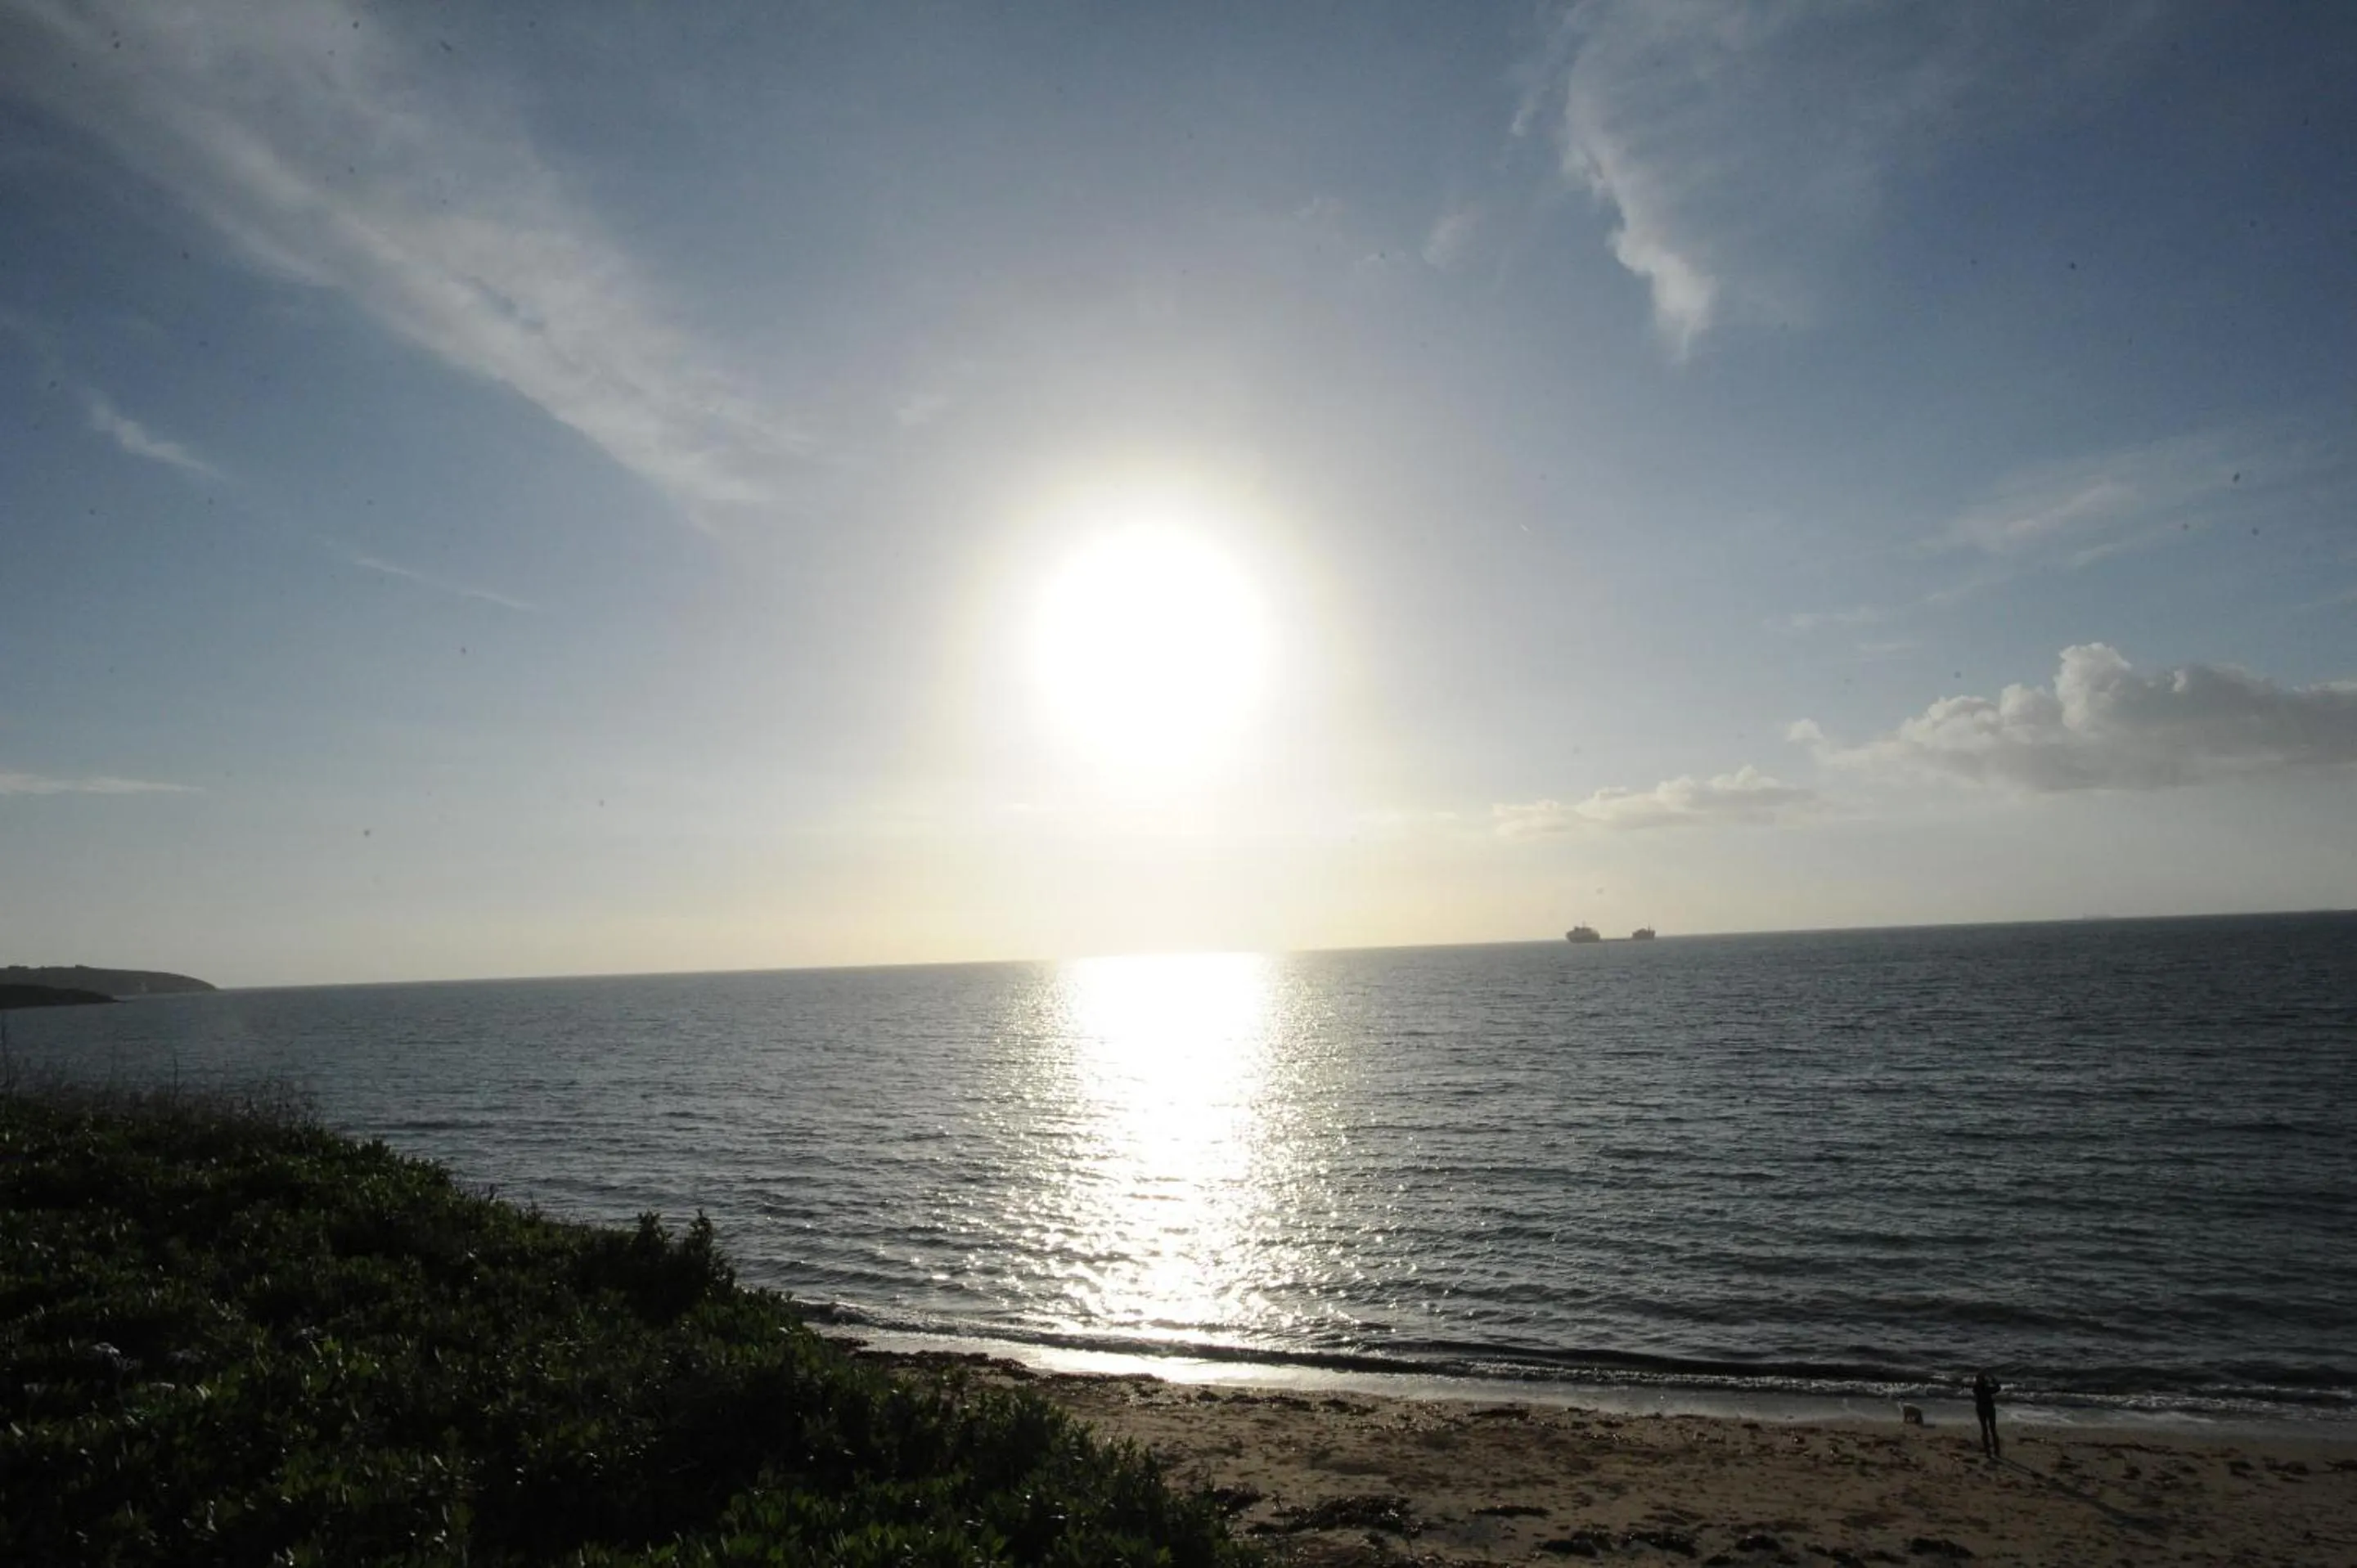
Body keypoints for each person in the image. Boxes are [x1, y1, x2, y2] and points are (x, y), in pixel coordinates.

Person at [1972, 1370, 2001, 1459]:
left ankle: (1988, 1451)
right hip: (1989, 1409)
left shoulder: (1976, 1388)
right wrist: (1993, 1380)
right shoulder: (1987, 1388)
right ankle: (1996, 1450)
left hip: (1980, 1409)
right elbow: (1998, 1388)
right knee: (1993, 1429)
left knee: (1984, 1430)